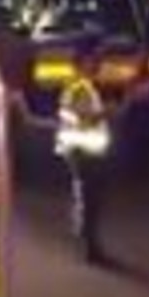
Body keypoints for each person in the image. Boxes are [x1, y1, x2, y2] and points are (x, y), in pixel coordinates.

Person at [54, 49, 113, 263]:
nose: (96, 64)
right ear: (80, 64)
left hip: (80, 150)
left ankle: (88, 244)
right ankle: (91, 249)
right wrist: (115, 109)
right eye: (91, 61)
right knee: (90, 201)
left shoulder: (78, 87)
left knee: (86, 200)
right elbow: (86, 119)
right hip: (85, 151)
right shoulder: (81, 88)